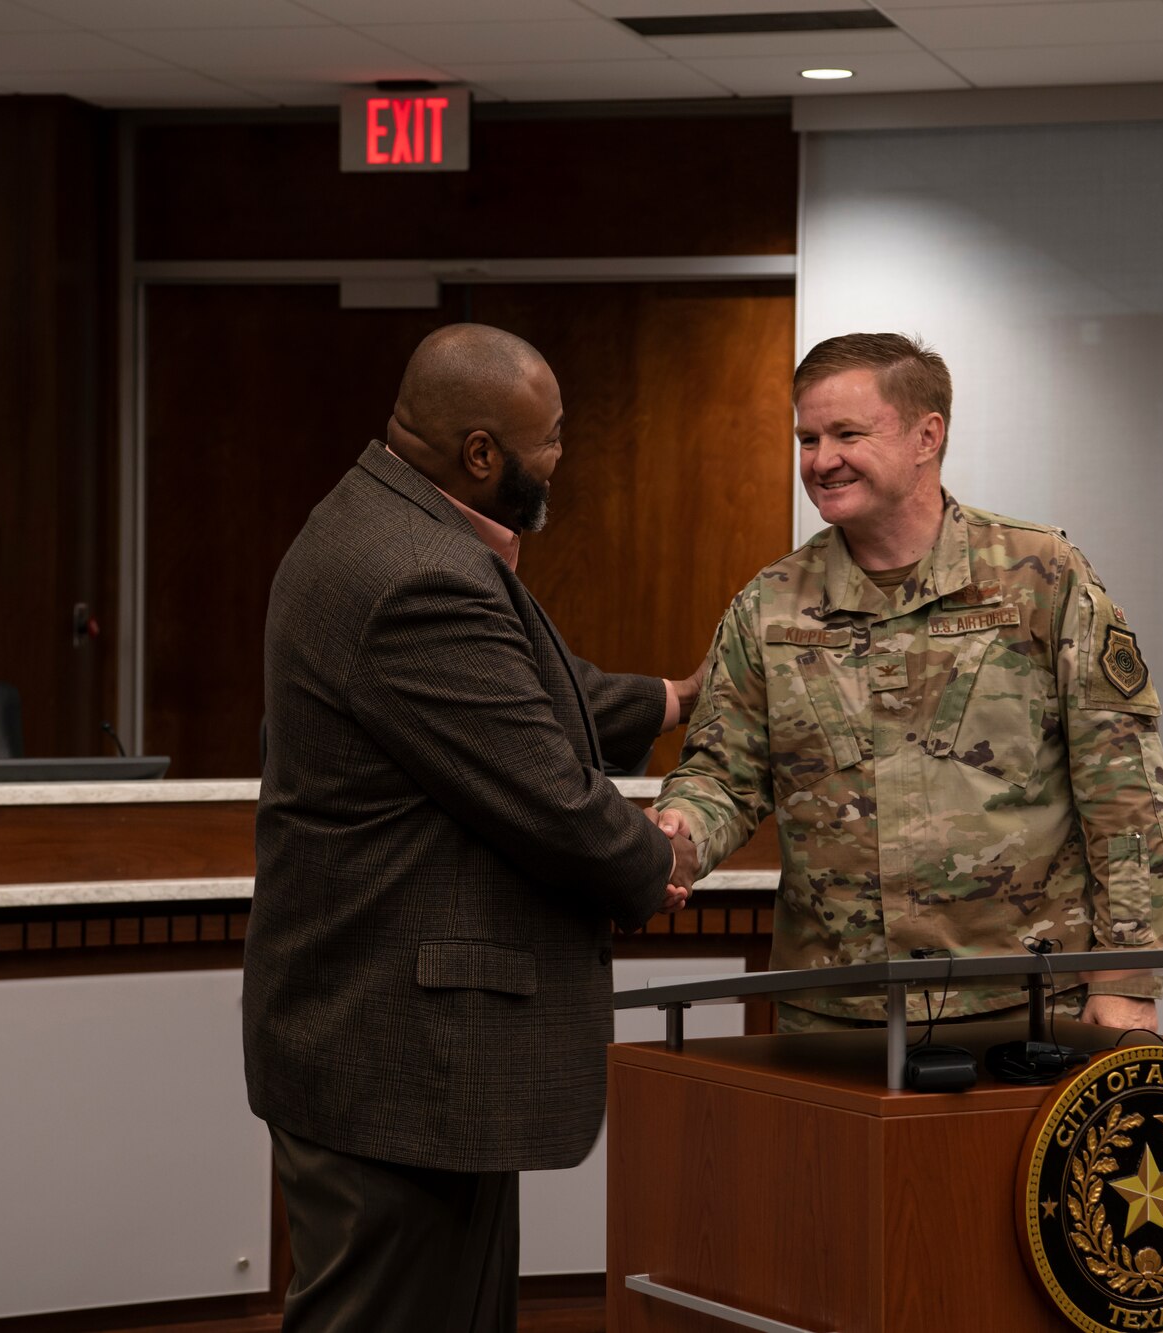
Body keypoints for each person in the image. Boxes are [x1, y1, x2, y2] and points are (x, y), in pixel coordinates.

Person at [244, 323, 701, 1333]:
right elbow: (539, 787)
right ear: (481, 453)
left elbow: (528, 692)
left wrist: (674, 699)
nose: (560, 457)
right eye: (552, 439)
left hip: (405, 1055)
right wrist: (657, 859)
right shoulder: (416, 573)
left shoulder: (394, 518)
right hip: (397, 1059)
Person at [654, 332, 1163, 1034]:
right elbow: (723, 776)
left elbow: (1123, 789)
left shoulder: (1039, 576)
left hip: (1022, 1001)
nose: (822, 460)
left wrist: (1125, 976)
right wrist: (675, 840)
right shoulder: (771, 604)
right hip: (836, 1009)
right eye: (808, 438)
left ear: (926, 436)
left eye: (847, 433)